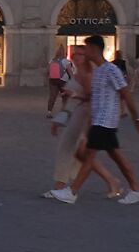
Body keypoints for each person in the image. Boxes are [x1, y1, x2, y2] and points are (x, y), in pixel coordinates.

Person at [70, 35, 139, 204]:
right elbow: (95, 97)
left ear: (94, 50)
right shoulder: (98, 71)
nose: (85, 53)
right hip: (99, 120)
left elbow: (126, 93)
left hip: (106, 120)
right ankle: (137, 188)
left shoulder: (111, 70)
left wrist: (137, 119)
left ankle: (72, 191)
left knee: (89, 154)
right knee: (115, 155)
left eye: (87, 49)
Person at [45, 39, 116, 203]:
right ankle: (61, 186)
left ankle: (62, 187)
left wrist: (74, 95)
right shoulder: (77, 74)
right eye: (75, 53)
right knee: (73, 151)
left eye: (81, 54)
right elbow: (72, 101)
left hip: (87, 116)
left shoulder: (89, 75)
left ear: (87, 56)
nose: (76, 57)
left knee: (79, 153)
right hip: (77, 114)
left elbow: (92, 98)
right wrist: (59, 118)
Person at [45, 52, 69, 130]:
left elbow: (47, 70)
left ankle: (49, 112)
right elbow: (69, 71)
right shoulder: (66, 61)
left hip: (53, 80)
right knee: (65, 97)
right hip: (63, 81)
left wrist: (48, 77)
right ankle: (64, 114)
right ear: (65, 54)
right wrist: (73, 79)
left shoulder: (52, 60)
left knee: (52, 96)